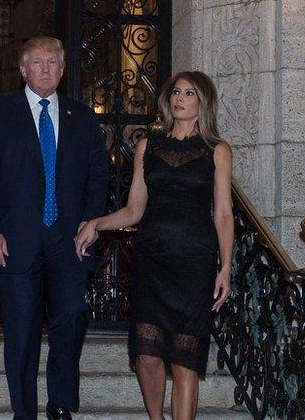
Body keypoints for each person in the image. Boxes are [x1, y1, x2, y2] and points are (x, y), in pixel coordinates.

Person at [74, 71, 234, 420]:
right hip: (152, 257)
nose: (180, 98)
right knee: (147, 352)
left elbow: (223, 213)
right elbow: (134, 210)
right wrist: (96, 223)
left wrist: (225, 267)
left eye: (189, 93)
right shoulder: (149, 146)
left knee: (184, 357)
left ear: (202, 101)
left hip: (194, 260)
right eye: (176, 91)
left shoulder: (216, 151)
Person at [0, 37, 109, 420]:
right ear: (22, 70)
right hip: (15, 239)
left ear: (63, 70)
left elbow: (98, 175)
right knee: (21, 331)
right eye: (37, 62)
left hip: (70, 241)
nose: (46, 69)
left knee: (71, 316)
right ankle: (25, 412)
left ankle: (62, 403)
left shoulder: (82, 117)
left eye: (53, 62)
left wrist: (92, 218)